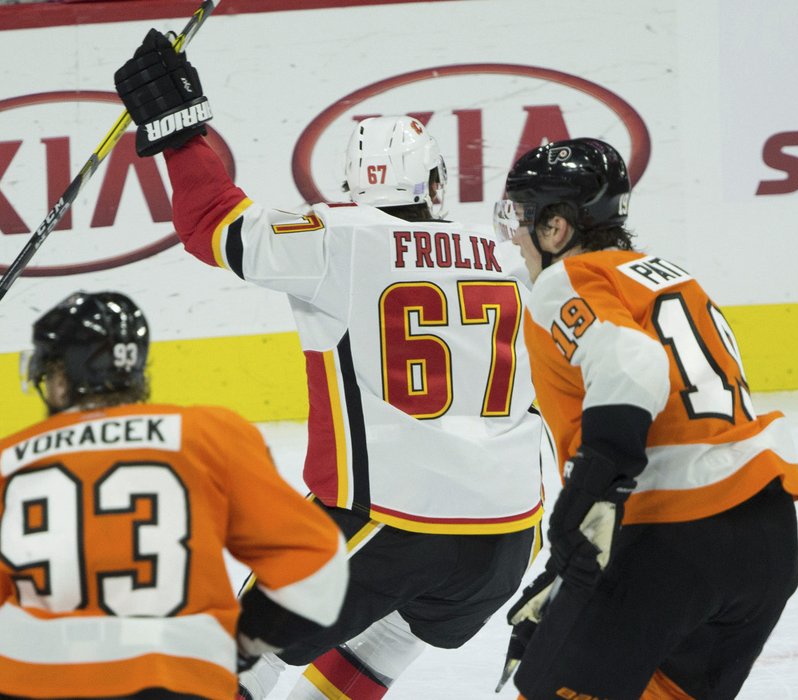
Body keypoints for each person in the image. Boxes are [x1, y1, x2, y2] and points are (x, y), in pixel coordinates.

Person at [113, 30, 545, 699]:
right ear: (434, 183)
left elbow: (210, 221)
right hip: (510, 534)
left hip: (393, 519)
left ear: (353, 187)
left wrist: (179, 130)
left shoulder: (336, 239)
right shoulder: (507, 256)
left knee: (233, 657)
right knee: (385, 644)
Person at [493, 138, 798, 700]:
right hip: (768, 539)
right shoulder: (668, 275)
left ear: (558, 228)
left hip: (672, 538)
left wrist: (585, 502)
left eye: (523, 216)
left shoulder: (567, 281)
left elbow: (635, 365)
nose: (515, 234)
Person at [0, 291, 348, 700]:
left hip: (33, 685)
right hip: (178, 681)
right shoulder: (208, 436)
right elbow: (314, 565)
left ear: (58, 376)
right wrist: (243, 641)